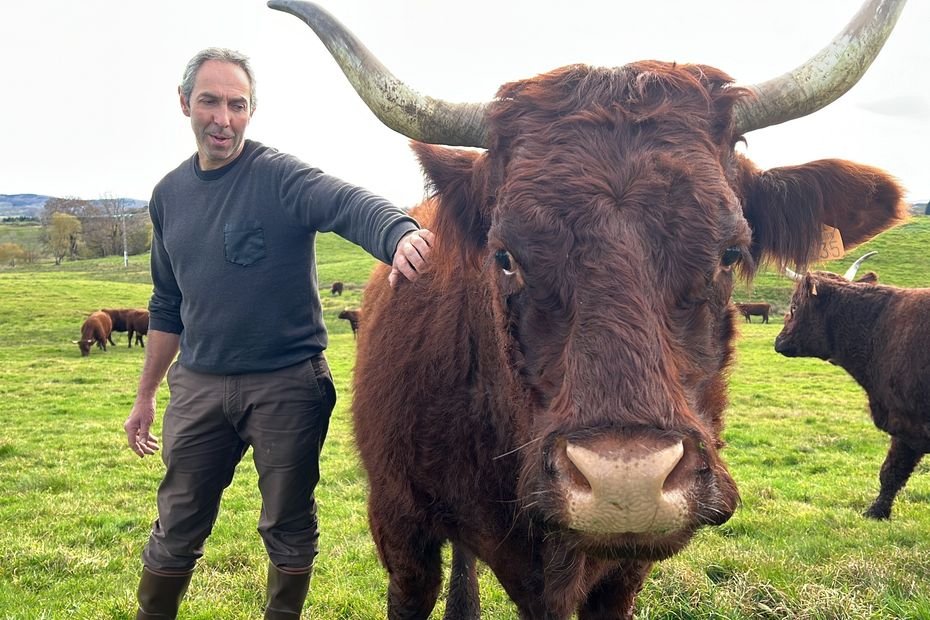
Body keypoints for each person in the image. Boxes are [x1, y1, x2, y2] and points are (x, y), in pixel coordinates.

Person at [122, 47, 434, 620]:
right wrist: (145, 395)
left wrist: (399, 234)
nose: (223, 119)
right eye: (210, 102)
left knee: (288, 523)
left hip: (286, 385)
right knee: (177, 521)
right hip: (198, 387)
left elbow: (346, 202)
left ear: (251, 110)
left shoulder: (279, 177)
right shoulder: (168, 196)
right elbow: (167, 304)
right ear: (185, 103)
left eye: (237, 105)